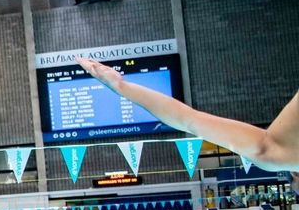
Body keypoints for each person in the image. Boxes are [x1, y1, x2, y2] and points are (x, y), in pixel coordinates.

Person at [78, 57, 299, 170]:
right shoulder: (278, 157)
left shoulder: (278, 156)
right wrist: (122, 88)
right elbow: (187, 120)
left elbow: (189, 120)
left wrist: (122, 88)